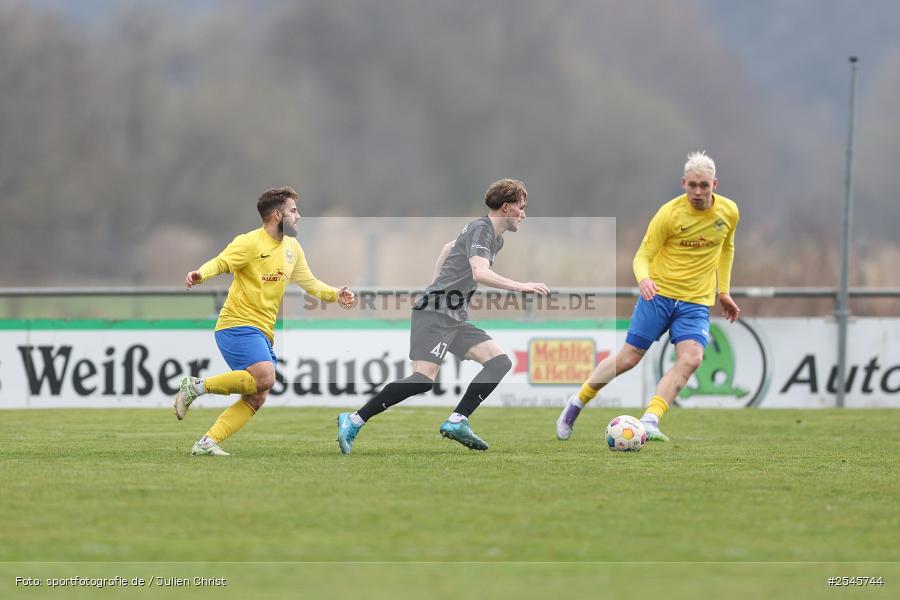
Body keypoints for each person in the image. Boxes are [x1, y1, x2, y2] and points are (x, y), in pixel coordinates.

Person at [337, 179, 549, 454]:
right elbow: (480, 273)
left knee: (499, 363)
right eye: (521, 208)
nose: (524, 214)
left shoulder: (493, 237)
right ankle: (353, 420)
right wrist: (521, 286)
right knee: (422, 381)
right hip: (435, 314)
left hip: (453, 315)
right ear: (506, 207)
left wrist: (436, 285)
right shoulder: (481, 229)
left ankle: (457, 420)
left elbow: (448, 248)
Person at [556, 151, 740, 442]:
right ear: (683, 183)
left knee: (692, 358)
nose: (697, 191)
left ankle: (651, 418)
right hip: (659, 296)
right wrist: (643, 279)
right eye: (692, 185)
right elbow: (642, 255)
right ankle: (576, 402)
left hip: (695, 302)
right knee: (629, 359)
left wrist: (724, 291)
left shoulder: (729, 212)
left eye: (704, 185)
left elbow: (727, 249)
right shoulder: (669, 214)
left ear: (715, 184)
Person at [175, 186, 356, 456]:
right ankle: (195, 387)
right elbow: (222, 262)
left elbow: (309, 283)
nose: (299, 216)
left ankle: (207, 443)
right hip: (236, 324)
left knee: (257, 394)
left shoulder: (292, 248)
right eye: (293, 211)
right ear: (276, 215)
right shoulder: (249, 242)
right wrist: (201, 274)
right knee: (265, 376)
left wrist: (335, 294)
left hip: (262, 330)